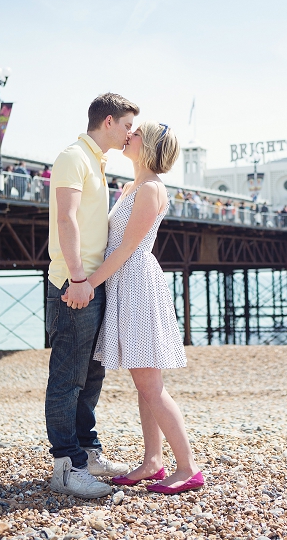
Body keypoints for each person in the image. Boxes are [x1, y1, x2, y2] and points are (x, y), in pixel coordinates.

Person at [86, 122, 204, 494]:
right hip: (127, 281)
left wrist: (89, 283)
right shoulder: (132, 186)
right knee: (143, 383)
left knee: (151, 384)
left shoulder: (151, 188)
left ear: (148, 144)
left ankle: (187, 467)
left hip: (136, 281)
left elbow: (125, 249)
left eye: (135, 132)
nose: (128, 135)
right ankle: (153, 461)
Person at [45, 93, 139, 499]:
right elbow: (66, 218)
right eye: (126, 125)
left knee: (91, 373)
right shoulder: (73, 158)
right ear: (107, 121)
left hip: (92, 284)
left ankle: (87, 452)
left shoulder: (96, 163)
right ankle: (66, 467)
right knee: (68, 377)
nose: (130, 133)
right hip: (75, 284)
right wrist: (80, 279)